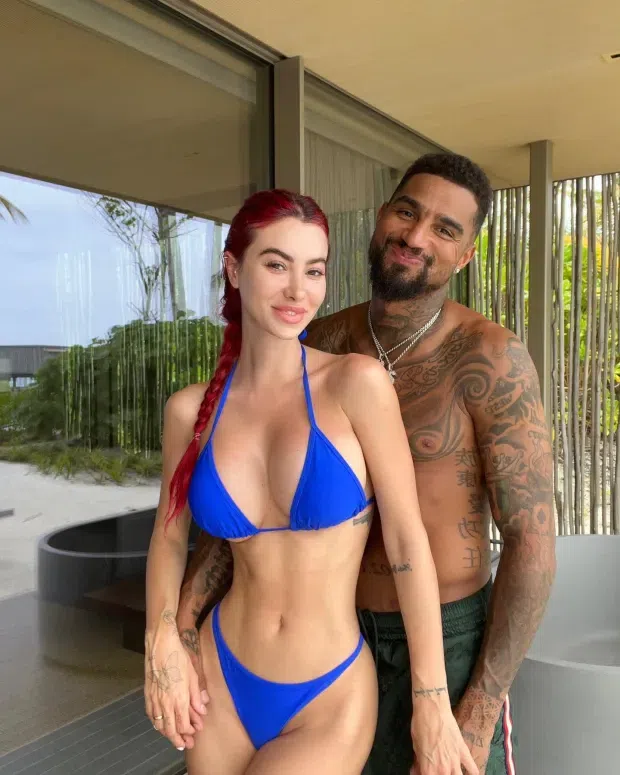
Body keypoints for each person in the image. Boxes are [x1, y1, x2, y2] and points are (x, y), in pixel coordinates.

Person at [175, 153, 557, 774]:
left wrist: (479, 708)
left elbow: (531, 540)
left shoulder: (489, 358)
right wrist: (179, 630)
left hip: (446, 642)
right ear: (380, 218)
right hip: (326, 641)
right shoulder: (317, 341)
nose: (416, 236)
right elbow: (242, 511)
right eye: (407, 212)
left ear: (465, 256)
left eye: (444, 229)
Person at [144, 188, 478, 775]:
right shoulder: (190, 412)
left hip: (327, 694)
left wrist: (432, 701)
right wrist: (163, 640)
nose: (298, 290)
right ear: (234, 269)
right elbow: (170, 539)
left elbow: (407, 543)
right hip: (219, 676)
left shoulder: (355, 384)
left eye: (314, 270)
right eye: (277, 265)